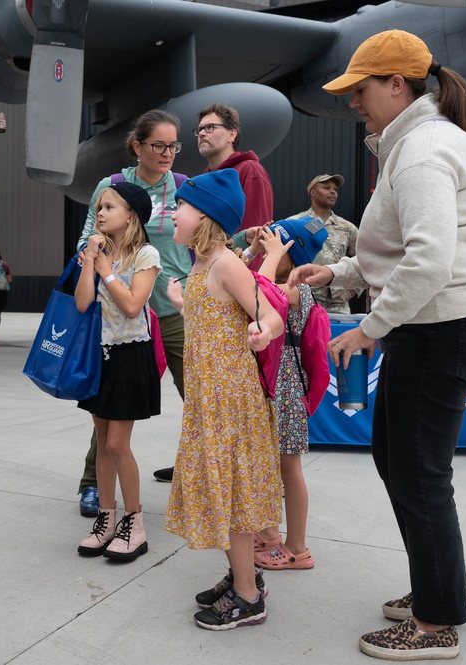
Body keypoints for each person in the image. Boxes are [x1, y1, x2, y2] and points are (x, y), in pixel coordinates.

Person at [290, 30, 466, 659]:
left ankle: (436, 623)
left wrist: (369, 327)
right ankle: (442, 589)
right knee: (400, 460)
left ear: (395, 85)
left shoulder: (422, 150)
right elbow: (395, 252)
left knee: (417, 472)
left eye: (359, 89)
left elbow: (430, 260)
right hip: (441, 324)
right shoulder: (412, 144)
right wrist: (338, 274)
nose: (353, 101)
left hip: (442, 328)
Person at [164, 168, 285, 632]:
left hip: (230, 401)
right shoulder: (199, 265)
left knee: (232, 494)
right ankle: (243, 574)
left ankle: (249, 598)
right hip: (208, 400)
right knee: (221, 489)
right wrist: (180, 302)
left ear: (207, 216)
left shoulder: (226, 263)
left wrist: (262, 332)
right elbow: (212, 315)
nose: (174, 213)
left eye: (181, 206)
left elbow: (270, 314)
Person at [73, 110, 193, 516]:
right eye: (158, 145)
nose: (167, 153)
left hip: (172, 308)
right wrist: (93, 257)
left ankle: (202, 479)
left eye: (173, 145)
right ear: (138, 146)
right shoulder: (113, 187)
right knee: (108, 406)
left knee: (196, 397)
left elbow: (202, 236)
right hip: (118, 313)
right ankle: (92, 484)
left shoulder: (183, 187)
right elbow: (89, 232)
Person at [75, 181, 162, 563]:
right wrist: (90, 262)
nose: (101, 213)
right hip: (100, 355)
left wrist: (107, 270)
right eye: (99, 207)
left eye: (109, 207)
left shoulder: (146, 254)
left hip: (130, 356)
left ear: (131, 214)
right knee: (100, 439)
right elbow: (81, 305)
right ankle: (106, 519)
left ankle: (134, 522)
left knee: (116, 444)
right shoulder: (99, 253)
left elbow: (131, 306)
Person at [245, 219, 327, 571]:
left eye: (276, 246)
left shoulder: (296, 292)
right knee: (268, 465)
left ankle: (298, 547)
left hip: (286, 391)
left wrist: (267, 254)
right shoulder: (280, 282)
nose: (267, 249)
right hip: (271, 388)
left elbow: (256, 292)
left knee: (289, 467)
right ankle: (269, 534)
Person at [194, 103, 273, 232]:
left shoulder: (250, 171)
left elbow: (255, 234)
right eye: (200, 129)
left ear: (231, 135)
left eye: (209, 127)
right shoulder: (202, 179)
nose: (202, 133)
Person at [286, 175, 359, 314]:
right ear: (313, 192)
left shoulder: (348, 228)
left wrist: (352, 291)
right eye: (326, 188)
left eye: (335, 189)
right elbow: (281, 260)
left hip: (337, 305)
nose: (333, 192)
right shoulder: (294, 224)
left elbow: (364, 260)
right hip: (303, 300)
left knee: (337, 336)